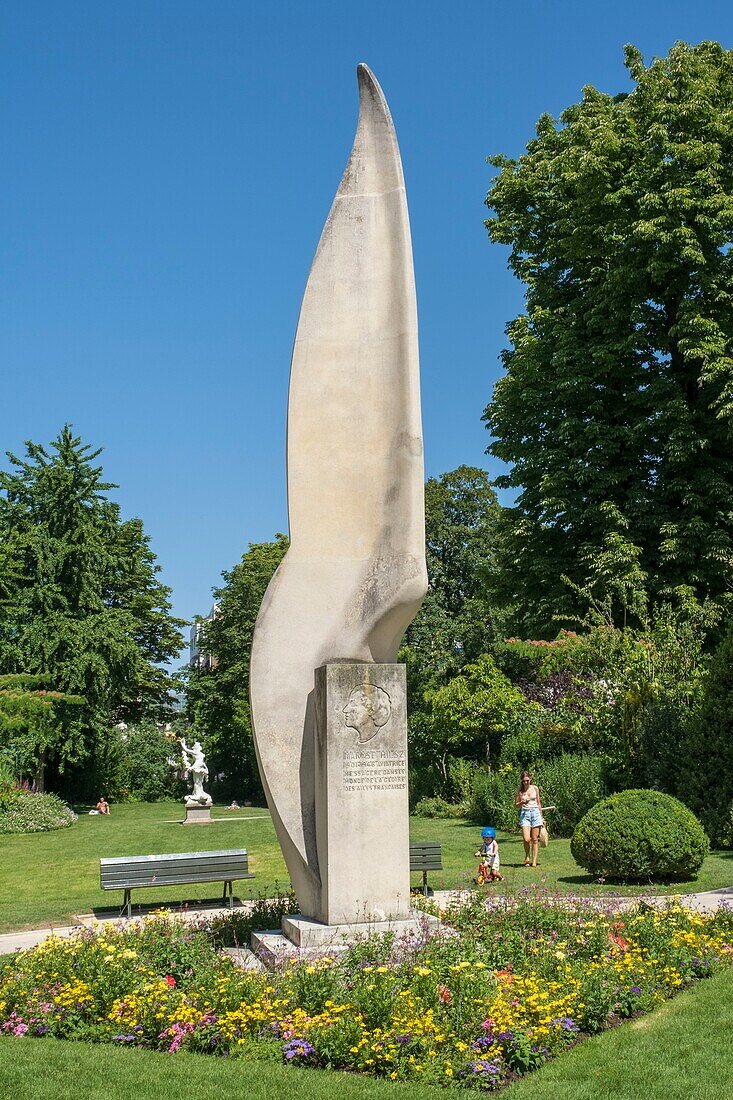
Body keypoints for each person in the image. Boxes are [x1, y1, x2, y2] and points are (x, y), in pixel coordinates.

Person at [515, 770, 543, 867]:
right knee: (527, 839)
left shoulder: (535, 788)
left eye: (527, 780)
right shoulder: (520, 791)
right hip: (525, 814)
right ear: (521, 781)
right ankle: (527, 856)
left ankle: (534, 861)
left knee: (535, 839)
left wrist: (542, 817)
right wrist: (522, 802)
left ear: (530, 779)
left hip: (535, 813)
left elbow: (538, 803)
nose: (526, 782)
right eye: (524, 781)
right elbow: (516, 805)